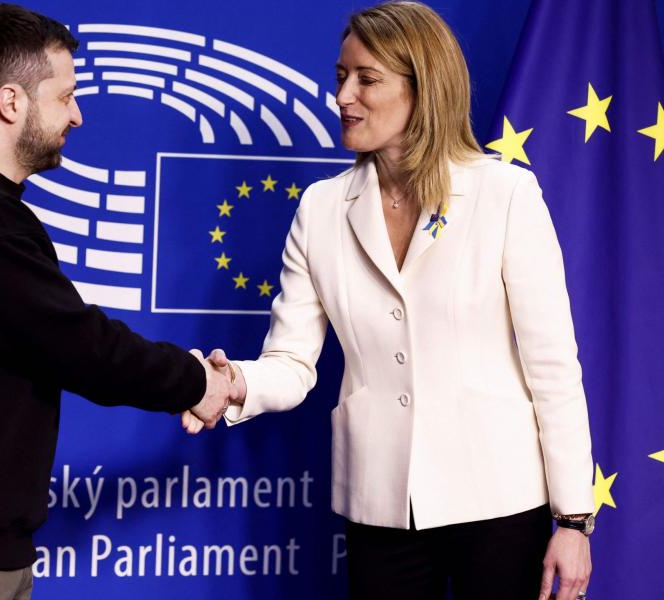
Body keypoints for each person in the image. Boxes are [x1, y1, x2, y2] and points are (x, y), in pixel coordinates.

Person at [184, 2, 594, 599]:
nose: (343, 96)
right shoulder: (322, 209)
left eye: (367, 79)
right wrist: (233, 384)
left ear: (423, 88)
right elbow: (293, 363)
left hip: (501, 503)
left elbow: (553, 365)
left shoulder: (505, 193)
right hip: (380, 509)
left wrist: (574, 520)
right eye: (341, 76)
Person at [0, 4, 234, 599]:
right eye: (65, 97)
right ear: (11, 102)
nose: (77, 116)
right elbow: (80, 344)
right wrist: (197, 383)